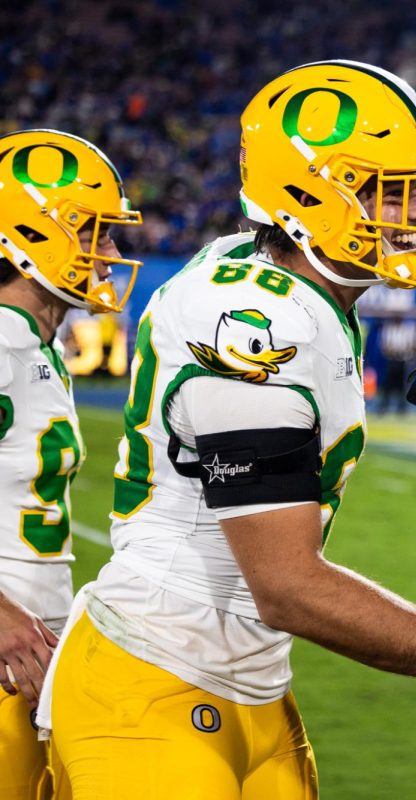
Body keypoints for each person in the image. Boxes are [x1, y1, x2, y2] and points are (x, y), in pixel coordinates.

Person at [41, 61, 416, 797]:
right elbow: (286, 583)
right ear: (309, 192)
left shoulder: (289, 286)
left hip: (250, 685)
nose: (414, 212)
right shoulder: (252, 322)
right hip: (152, 678)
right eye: (389, 190)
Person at [0, 129, 142, 798]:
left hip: (27, 662)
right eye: (95, 234)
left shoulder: (33, 341)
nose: (112, 254)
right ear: (30, 237)